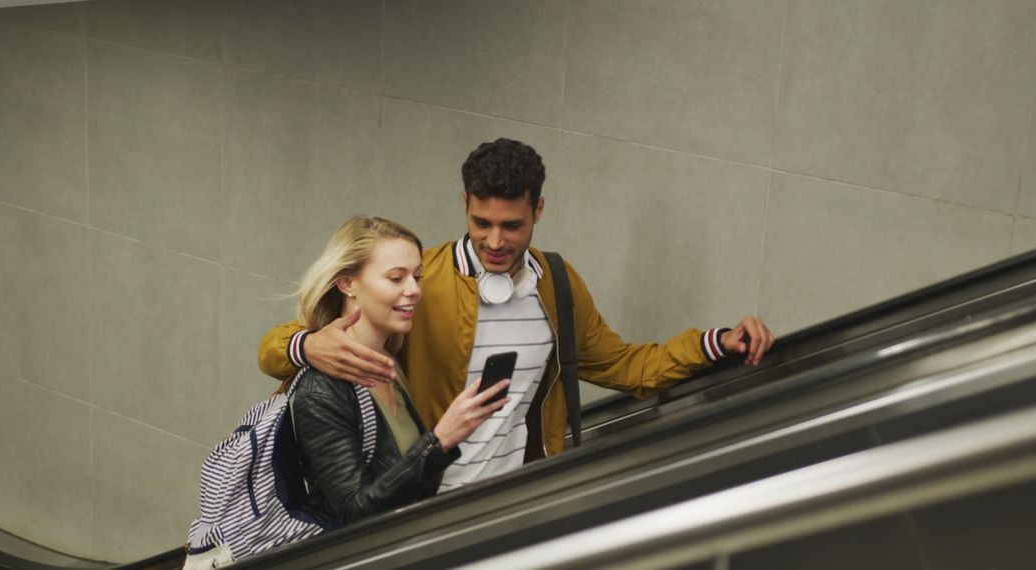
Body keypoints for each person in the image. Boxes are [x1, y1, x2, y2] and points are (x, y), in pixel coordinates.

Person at [259, 139, 775, 491]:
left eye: (512, 224)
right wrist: (303, 345)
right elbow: (277, 346)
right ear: (464, 203)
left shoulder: (556, 284)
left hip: (508, 503)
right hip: (419, 503)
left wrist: (716, 342)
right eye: (481, 222)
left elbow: (626, 366)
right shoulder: (425, 282)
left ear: (539, 211)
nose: (495, 241)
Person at [289, 216, 508, 524]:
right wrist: (441, 440)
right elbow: (354, 511)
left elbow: (413, 490)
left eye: (417, 277)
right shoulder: (322, 389)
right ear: (347, 283)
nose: (415, 290)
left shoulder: (390, 366)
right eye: (396, 278)